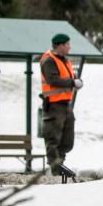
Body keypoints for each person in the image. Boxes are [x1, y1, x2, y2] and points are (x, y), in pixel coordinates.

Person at [40, 33, 83, 178]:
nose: (69, 47)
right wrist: (72, 83)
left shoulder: (65, 60)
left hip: (65, 104)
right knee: (53, 138)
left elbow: (69, 77)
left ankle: (60, 164)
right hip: (54, 105)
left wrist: (76, 80)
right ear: (60, 45)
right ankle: (55, 169)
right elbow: (53, 80)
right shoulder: (48, 60)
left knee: (67, 139)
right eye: (67, 44)